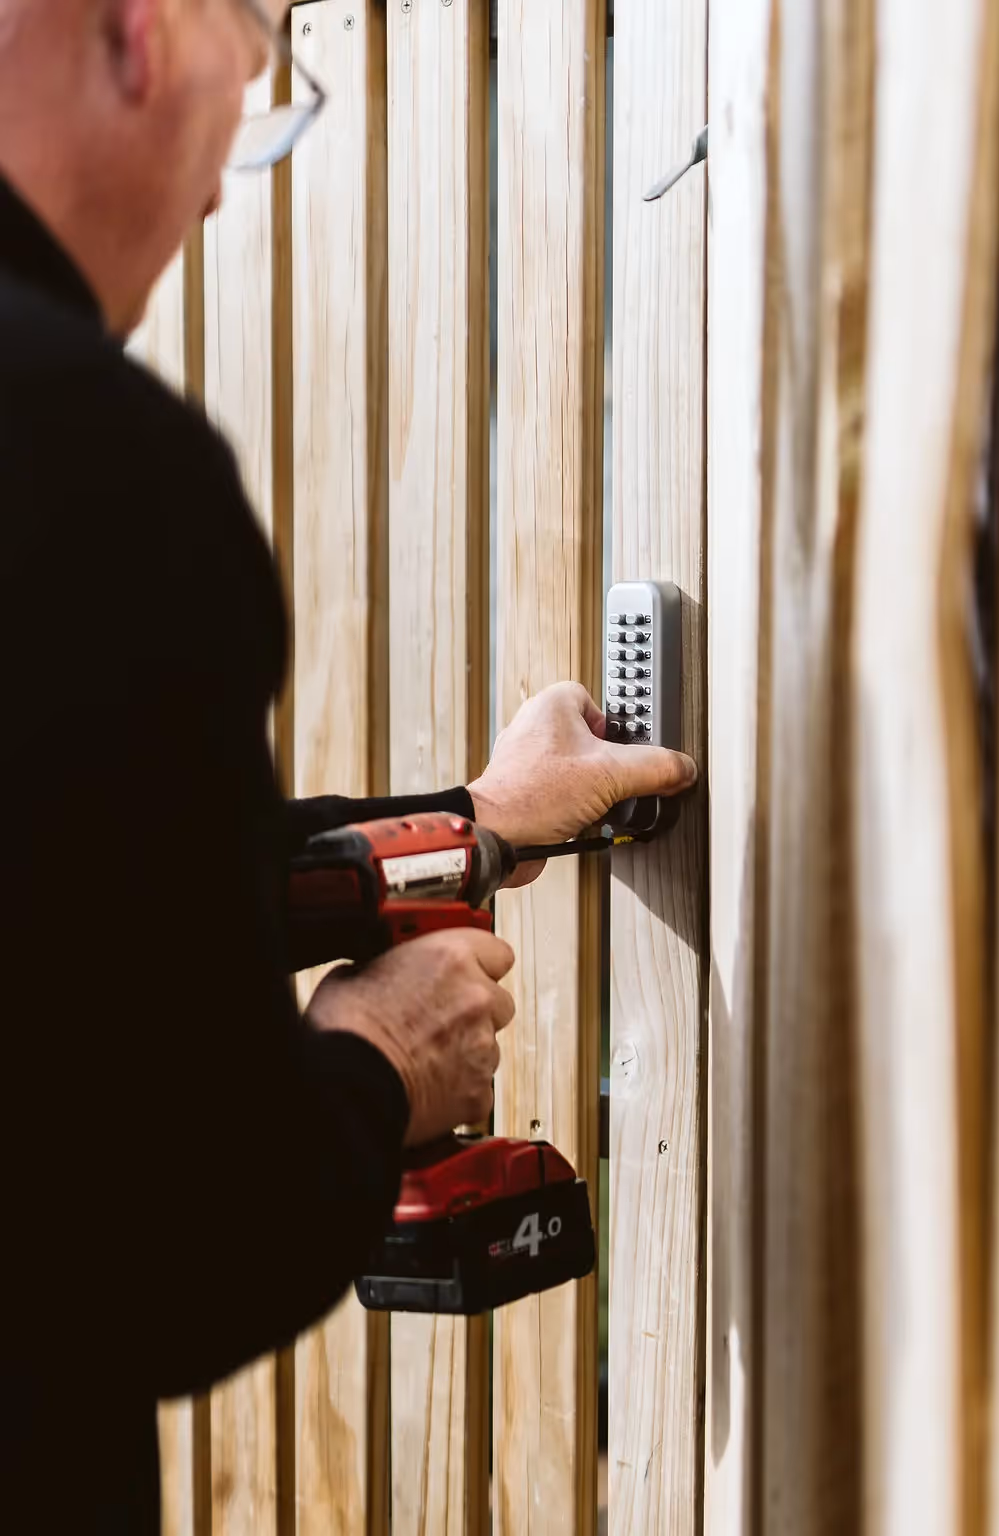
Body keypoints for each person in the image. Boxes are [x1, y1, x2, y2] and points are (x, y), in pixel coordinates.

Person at [0, 0, 697, 1530]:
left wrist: (477, 827)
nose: (213, 193)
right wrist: (380, 1064)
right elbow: (185, 1252)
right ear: (143, 36)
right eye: (248, 105)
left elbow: (67, 872)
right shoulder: (88, 459)